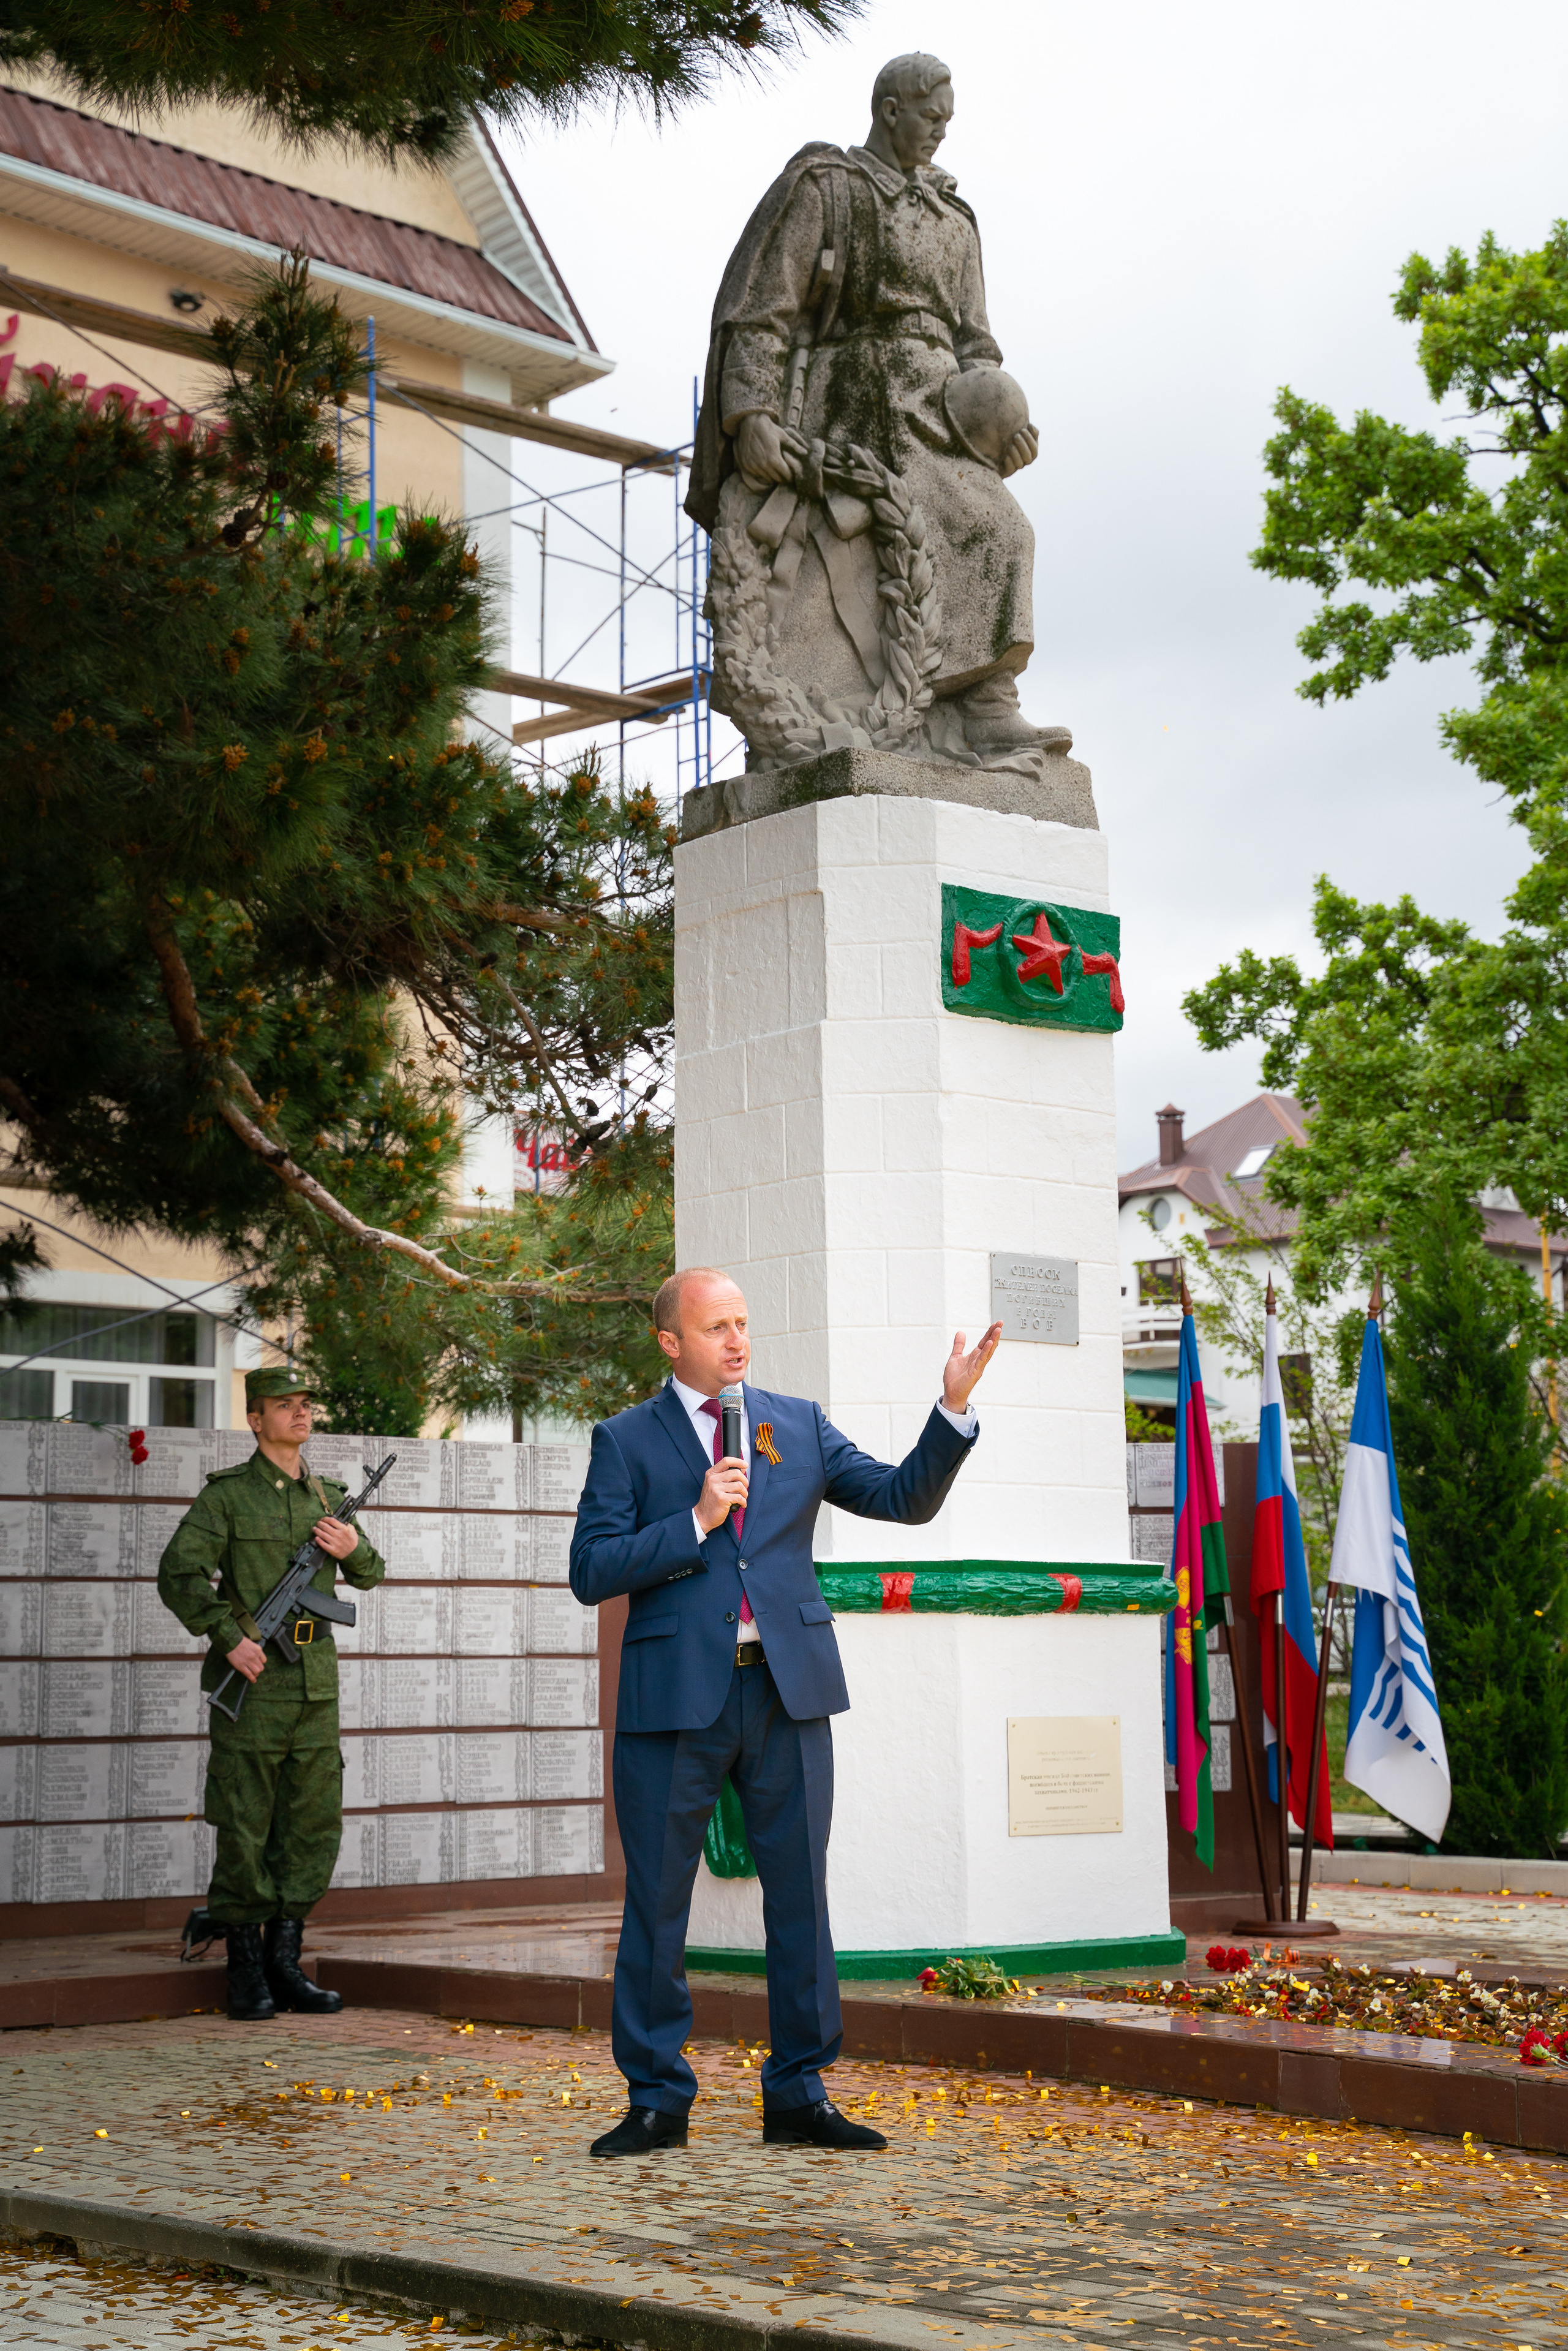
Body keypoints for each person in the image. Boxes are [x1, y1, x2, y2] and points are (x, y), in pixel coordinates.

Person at [570, 1266, 1000, 2157]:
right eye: (716, 1326)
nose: (737, 1340)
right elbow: (591, 1569)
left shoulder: (795, 1421)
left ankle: (800, 2092)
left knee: (801, 1895)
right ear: (670, 1342)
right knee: (657, 1903)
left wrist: (951, 1410)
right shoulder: (625, 1439)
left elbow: (901, 1498)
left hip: (786, 1690)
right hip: (673, 1702)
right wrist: (695, 1519)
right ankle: (656, 2100)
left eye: (742, 1322)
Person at [688, 50, 1061, 774]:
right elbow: (762, 308)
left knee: (1005, 527)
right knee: (946, 517)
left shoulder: (955, 219)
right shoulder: (826, 188)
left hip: (942, 413)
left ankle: (986, 701)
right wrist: (750, 413)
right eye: (930, 116)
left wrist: (1003, 428)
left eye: (948, 120)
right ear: (891, 110)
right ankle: (942, 705)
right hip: (851, 403)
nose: (941, 132)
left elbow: (977, 344)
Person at [157, 1366, 385, 2021]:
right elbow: (179, 1574)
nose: (300, 1413)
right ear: (256, 1420)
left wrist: (353, 1548)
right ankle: (245, 1968)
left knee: (311, 1826)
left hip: (315, 1689)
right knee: (245, 1824)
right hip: (255, 1688)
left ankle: (286, 1963)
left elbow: (371, 1574)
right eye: (284, 1405)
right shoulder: (228, 1497)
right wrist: (229, 1637)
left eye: (305, 1404)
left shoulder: (329, 1495)